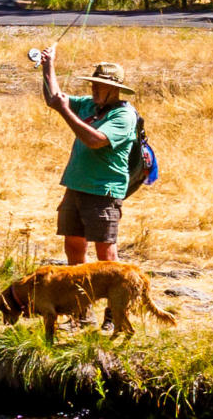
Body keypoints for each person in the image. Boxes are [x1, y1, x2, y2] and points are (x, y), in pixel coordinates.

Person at [34, 49, 139, 263]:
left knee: (106, 254)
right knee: (73, 245)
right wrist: (48, 66)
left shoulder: (124, 115)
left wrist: (65, 111)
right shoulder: (88, 105)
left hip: (103, 191)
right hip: (76, 186)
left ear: (115, 89)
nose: (94, 89)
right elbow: (55, 99)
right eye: (92, 84)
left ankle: (113, 293)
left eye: (100, 85)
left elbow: (95, 141)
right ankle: (80, 293)